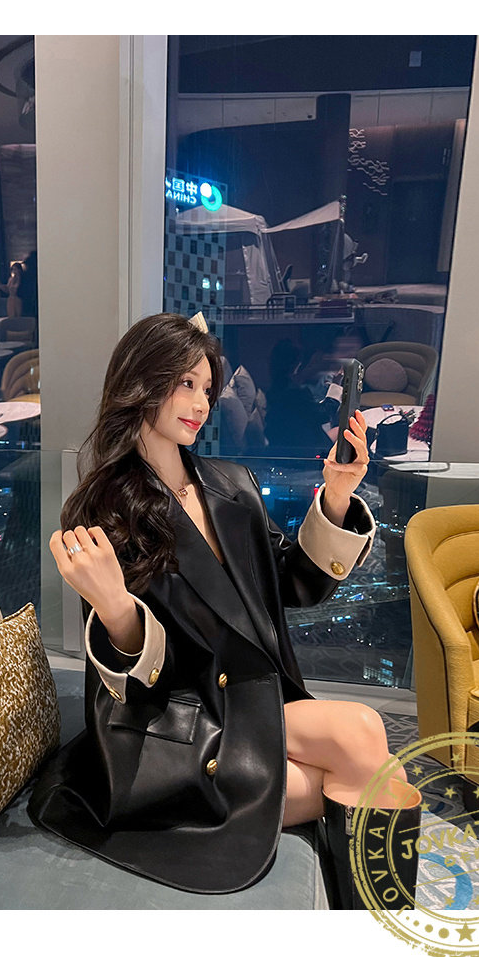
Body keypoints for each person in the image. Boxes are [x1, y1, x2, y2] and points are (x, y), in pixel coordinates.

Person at [28, 312, 421, 905]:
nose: (201, 403)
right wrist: (112, 606)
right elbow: (136, 683)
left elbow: (291, 584)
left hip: (250, 704)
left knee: (364, 745)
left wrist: (338, 496)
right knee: (362, 752)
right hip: (179, 726)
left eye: (208, 388)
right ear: (141, 381)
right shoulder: (105, 510)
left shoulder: (230, 484)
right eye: (185, 383)